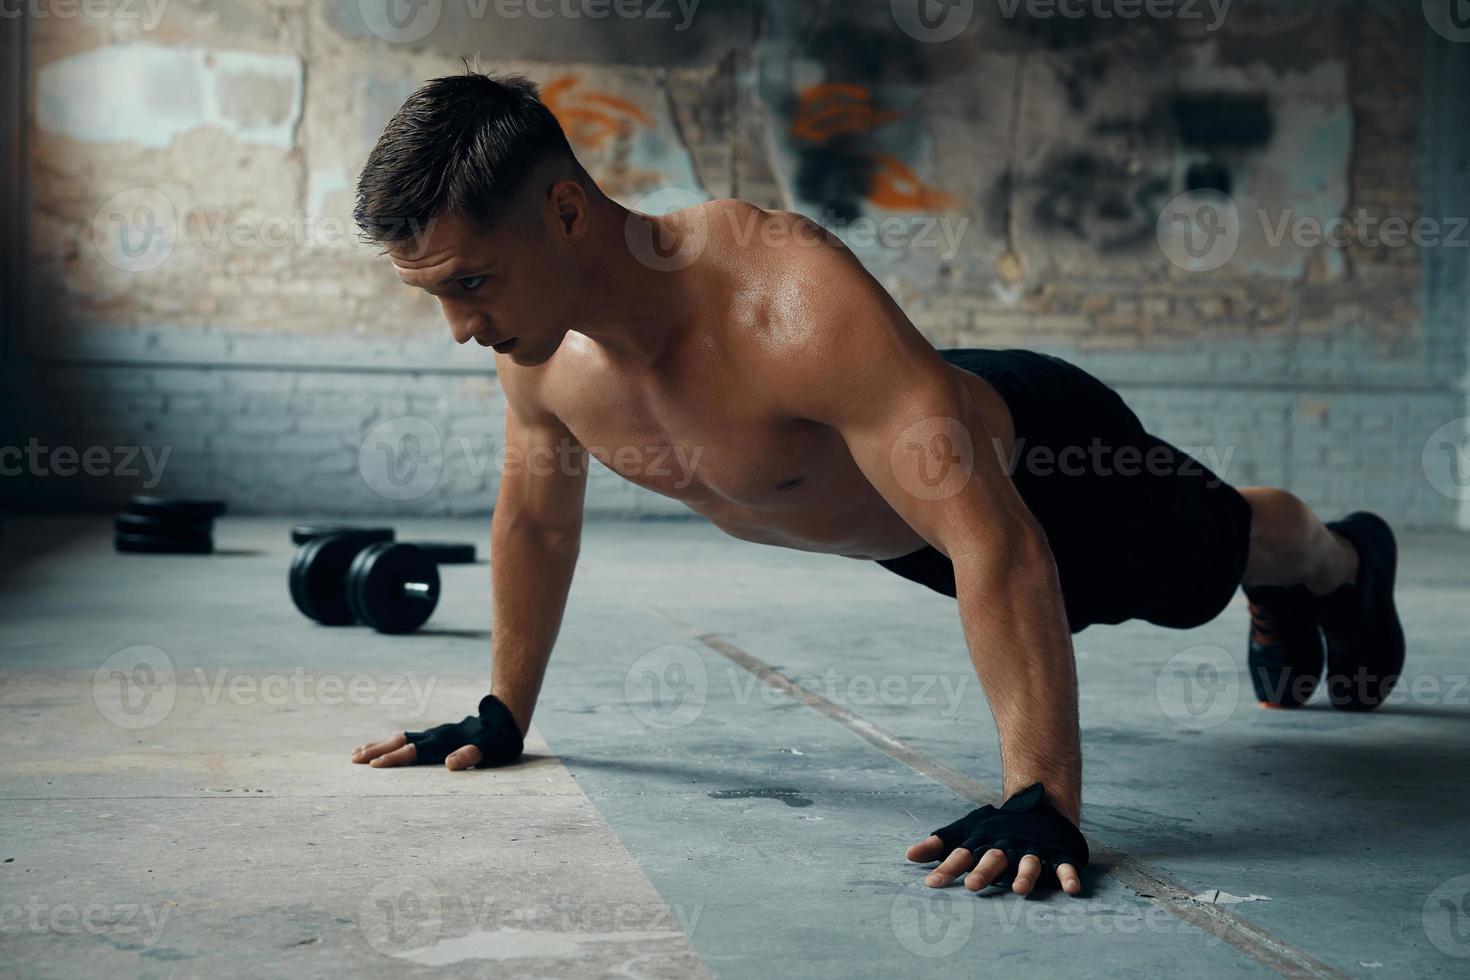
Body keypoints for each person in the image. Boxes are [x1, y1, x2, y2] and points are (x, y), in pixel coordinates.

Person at [346, 71, 1404, 897]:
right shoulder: (538, 348)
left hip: (1043, 461)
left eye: (471, 283)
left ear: (565, 213)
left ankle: (1341, 559)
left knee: (1215, 558)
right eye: (437, 295)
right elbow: (534, 518)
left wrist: (1040, 799)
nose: (460, 326)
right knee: (1114, 589)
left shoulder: (786, 303)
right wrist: (501, 711)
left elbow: (996, 537)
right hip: (911, 536)